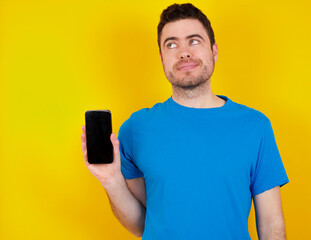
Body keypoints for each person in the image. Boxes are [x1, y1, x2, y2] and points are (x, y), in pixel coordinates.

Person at [81, 3, 289, 240]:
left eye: (194, 41)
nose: (183, 52)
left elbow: (272, 223)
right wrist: (111, 181)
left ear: (214, 51)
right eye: (171, 44)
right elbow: (142, 223)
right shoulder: (134, 129)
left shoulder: (255, 126)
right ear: (161, 58)